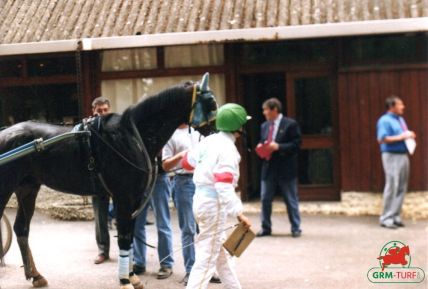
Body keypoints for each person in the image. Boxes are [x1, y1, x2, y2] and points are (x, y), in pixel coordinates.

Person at [182, 103, 251, 289]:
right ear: (238, 127)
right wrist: (239, 212)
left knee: (220, 256)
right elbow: (223, 184)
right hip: (214, 204)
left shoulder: (208, 141)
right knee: (206, 261)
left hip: (200, 201)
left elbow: (187, 162)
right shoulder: (229, 149)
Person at [256, 98, 302, 238]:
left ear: (274, 109)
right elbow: (262, 140)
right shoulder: (264, 125)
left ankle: (296, 228)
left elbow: (297, 144)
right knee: (265, 199)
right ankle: (266, 228)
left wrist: (279, 147)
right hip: (268, 168)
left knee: (290, 199)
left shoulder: (290, 124)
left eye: (266, 110)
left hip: (285, 168)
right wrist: (260, 146)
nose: (264, 113)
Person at [376, 96, 416, 229]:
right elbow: (382, 139)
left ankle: (395, 216)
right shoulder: (384, 121)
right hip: (391, 155)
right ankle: (386, 218)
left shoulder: (400, 120)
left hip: (403, 154)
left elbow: (403, 135)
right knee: (392, 185)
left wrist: (409, 135)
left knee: (401, 186)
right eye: (400, 104)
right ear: (392, 106)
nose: (403, 106)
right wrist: (402, 136)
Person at [133, 155, 175, 279]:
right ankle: (139, 263)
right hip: (140, 179)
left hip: (159, 178)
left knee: (163, 224)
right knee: (136, 225)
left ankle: (166, 264)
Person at [91, 96, 112, 264]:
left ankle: (132, 252)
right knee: (101, 216)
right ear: (94, 112)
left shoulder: (116, 126)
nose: (103, 114)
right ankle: (103, 250)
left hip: (119, 179)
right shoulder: (89, 128)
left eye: (105, 110)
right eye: (99, 111)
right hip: (100, 179)